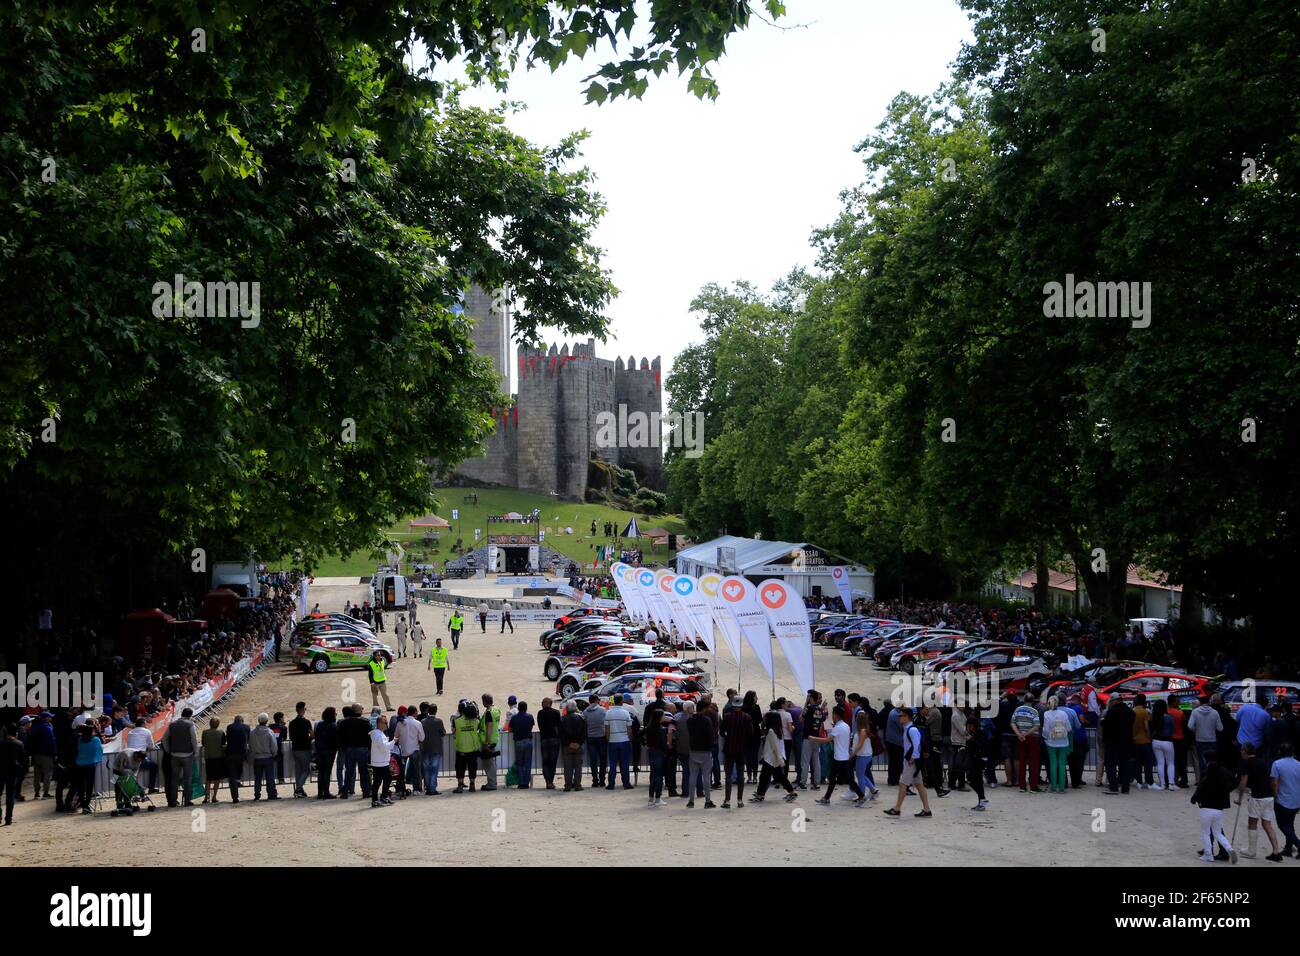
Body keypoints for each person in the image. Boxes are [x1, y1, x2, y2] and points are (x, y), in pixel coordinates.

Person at [1236, 743, 1282, 861]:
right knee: (1267, 824)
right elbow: (1271, 778)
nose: (1241, 753)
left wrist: (1239, 799)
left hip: (1258, 797)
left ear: (1245, 751)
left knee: (1252, 823)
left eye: (1242, 751)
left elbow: (1243, 783)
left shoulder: (1247, 763)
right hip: (1268, 796)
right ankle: (1276, 850)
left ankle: (1251, 850)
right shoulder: (1262, 762)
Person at [813, 705, 866, 806]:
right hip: (842, 757)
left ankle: (861, 796)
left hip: (840, 758)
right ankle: (826, 798)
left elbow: (827, 740)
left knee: (847, 779)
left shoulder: (837, 727)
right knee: (835, 779)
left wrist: (813, 738)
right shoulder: (846, 726)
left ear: (835, 715)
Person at [1190, 749, 1236, 863]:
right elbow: (1235, 781)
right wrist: (1226, 791)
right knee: (1218, 832)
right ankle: (1229, 849)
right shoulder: (1223, 771)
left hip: (1206, 808)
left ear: (1206, 760)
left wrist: (1194, 799)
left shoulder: (1207, 775)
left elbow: (1199, 789)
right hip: (1219, 808)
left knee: (1206, 832)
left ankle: (1208, 854)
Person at [885, 708, 932, 818]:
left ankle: (897, 809)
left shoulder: (911, 730)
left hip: (911, 762)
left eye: (901, 716)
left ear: (906, 717)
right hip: (912, 761)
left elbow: (917, 745)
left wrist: (912, 758)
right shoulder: (909, 729)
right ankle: (927, 810)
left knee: (903, 784)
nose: (899, 718)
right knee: (919, 785)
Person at [752, 711, 797, 803]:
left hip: (771, 759)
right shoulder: (777, 730)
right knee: (779, 777)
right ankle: (791, 792)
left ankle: (760, 795)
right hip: (773, 759)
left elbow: (775, 747)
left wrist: (779, 760)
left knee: (764, 777)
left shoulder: (771, 731)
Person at [719, 694, 754, 808]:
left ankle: (727, 800)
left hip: (729, 748)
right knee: (740, 774)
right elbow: (750, 734)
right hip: (742, 749)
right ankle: (740, 800)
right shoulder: (747, 717)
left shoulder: (728, 716)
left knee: (728, 775)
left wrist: (728, 736)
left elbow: (722, 732)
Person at [165, 707, 198, 808]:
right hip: (187, 755)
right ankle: (187, 801)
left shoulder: (172, 724)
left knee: (174, 780)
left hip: (174, 755)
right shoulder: (190, 725)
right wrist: (195, 751)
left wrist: (168, 751)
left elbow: (164, 739)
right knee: (187, 779)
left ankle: (173, 801)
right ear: (190, 715)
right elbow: (194, 739)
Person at [686, 699, 717, 809]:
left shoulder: (690, 720)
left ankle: (691, 801)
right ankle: (707, 800)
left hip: (694, 750)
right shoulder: (706, 720)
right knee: (706, 777)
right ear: (704, 708)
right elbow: (711, 736)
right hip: (705, 751)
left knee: (693, 776)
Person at [1271, 742, 1300, 858]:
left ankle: (1298, 844)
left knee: (1283, 825)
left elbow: (1274, 782)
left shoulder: (1277, 764)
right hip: (1296, 799)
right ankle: (1288, 848)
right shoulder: (1299, 764)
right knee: (1290, 824)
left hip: (1282, 799)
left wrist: (1274, 795)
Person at [1102, 697, 1135, 795]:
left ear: (1115, 702)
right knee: (1125, 766)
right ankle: (1125, 788)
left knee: (1110, 765)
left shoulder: (1112, 711)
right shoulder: (1130, 712)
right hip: (1127, 742)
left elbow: (1106, 724)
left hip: (1112, 742)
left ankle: (1113, 786)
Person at [339, 704, 372, 800]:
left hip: (350, 749)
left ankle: (345, 792)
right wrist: (369, 748)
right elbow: (369, 736)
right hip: (362, 749)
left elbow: (341, 736)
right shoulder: (365, 722)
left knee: (349, 771)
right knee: (363, 771)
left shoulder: (344, 722)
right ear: (359, 710)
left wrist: (344, 748)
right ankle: (365, 791)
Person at [1041, 697, 1073, 794]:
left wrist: (1045, 737)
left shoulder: (1046, 714)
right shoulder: (1063, 713)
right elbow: (1068, 728)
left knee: (1053, 764)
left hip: (1051, 742)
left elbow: (1046, 730)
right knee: (1062, 765)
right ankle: (1062, 788)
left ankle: (1054, 786)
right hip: (1063, 741)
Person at [1188, 695, 1223, 781]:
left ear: (1200, 702)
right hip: (1212, 740)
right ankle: (1213, 780)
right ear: (1209, 702)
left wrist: (1196, 730)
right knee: (1213, 762)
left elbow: (1190, 726)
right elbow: (1220, 728)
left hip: (1199, 739)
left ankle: (1203, 781)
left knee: (1201, 762)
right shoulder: (1215, 712)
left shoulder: (1195, 712)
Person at [1011, 695, 1042, 793]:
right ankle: (1033, 786)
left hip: (1021, 739)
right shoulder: (1034, 711)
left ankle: (1022, 786)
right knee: (1033, 763)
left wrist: (1019, 734)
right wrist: (1026, 733)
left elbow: (1012, 723)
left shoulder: (1018, 710)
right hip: (1032, 738)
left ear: (1024, 700)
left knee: (1022, 762)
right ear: (1033, 701)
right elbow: (1036, 726)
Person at [452, 700, 482, 793]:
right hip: (473, 748)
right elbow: (479, 728)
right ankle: (472, 785)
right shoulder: (476, 721)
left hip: (461, 748)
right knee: (472, 767)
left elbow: (453, 732)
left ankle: (460, 785)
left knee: (460, 767)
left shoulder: (456, 721)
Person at [605, 695, 634, 790]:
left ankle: (611, 784)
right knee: (625, 764)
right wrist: (630, 739)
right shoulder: (625, 713)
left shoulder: (608, 713)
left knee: (612, 764)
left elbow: (607, 729)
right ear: (621, 701)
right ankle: (626, 784)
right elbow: (629, 729)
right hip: (624, 740)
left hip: (613, 741)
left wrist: (608, 739)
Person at [250, 713, 280, 801]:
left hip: (257, 757)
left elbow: (251, 745)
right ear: (266, 721)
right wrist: (274, 754)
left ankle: (257, 795)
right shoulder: (270, 732)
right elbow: (274, 746)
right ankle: (271, 795)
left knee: (258, 778)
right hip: (268, 757)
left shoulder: (253, 732)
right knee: (270, 777)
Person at [850, 710, 878, 800]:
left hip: (863, 755)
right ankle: (873, 789)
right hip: (865, 754)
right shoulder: (865, 730)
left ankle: (861, 795)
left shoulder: (862, 731)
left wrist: (852, 754)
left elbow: (860, 744)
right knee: (861, 774)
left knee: (860, 776)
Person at [74, 724, 102, 815]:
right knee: (89, 786)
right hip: (90, 765)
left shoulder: (80, 740)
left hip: (79, 765)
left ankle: (83, 804)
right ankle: (86, 805)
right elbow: (100, 751)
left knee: (81, 786)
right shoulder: (96, 740)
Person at [964, 707, 988, 811]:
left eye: (970, 726)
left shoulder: (980, 732)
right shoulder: (972, 733)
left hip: (978, 760)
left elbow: (980, 745)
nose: (969, 728)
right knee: (972, 780)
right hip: (973, 760)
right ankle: (981, 799)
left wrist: (971, 740)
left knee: (976, 780)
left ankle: (982, 799)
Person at [1150, 700, 1177, 790]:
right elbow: (1173, 729)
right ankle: (1171, 783)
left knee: (1160, 763)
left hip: (1156, 741)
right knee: (1170, 763)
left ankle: (1162, 784)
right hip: (1168, 741)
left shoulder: (1154, 717)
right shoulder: (1169, 718)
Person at [1, 725, 25, 825]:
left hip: (0, 771)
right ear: (16, 733)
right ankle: (8, 818)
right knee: (10, 796)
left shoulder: (1, 743)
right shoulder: (19, 744)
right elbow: (23, 759)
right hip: (13, 772)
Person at [560, 702, 587, 791]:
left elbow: (561, 734)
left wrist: (568, 743)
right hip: (578, 746)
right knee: (578, 766)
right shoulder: (581, 718)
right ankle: (577, 785)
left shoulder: (563, 719)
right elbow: (584, 732)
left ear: (567, 708)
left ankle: (568, 785)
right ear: (575, 708)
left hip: (567, 746)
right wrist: (579, 743)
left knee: (567, 767)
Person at [289, 701, 313, 798]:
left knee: (298, 770)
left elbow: (290, 737)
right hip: (304, 748)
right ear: (303, 710)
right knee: (306, 770)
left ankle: (300, 790)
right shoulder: (306, 722)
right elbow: (312, 734)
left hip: (295, 748)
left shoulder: (292, 723)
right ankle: (298, 789)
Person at [536, 697, 562, 790]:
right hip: (554, 739)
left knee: (546, 762)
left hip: (544, 739)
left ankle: (548, 781)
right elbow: (559, 726)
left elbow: (539, 725)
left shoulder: (540, 713)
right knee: (553, 762)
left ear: (544, 704)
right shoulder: (556, 713)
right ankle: (550, 781)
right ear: (550, 704)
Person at [1130, 694, 1155, 789]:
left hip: (1134, 740)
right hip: (1144, 740)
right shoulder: (1145, 712)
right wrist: (1149, 737)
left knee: (1137, 763)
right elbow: (1146, 727)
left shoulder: (1132, 711)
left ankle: (1139, 781)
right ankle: (1149, 782)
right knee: (1148, 763)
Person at [314, 707, 339, 799]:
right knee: (327, 772)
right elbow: (336, 739)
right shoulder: (334, 725)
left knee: (321, 771)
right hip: (330, 751)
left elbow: (316, 737)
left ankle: (320, 792)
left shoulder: (320, 724)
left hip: (320, 750)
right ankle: (326, 792)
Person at [420, 705, 445, 795]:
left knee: (426, 769)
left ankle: (428, 788)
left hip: (425, 748)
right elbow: (443, 733)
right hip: (436, 748)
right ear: (436, 711)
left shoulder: (423, 721)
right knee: (434, 770)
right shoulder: (439, 721)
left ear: (428, 711)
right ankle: (432, 789)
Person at [369, 715, 394, 807]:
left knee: (381, 780)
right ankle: (378, 799)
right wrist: (394, 741)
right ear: (379, 724)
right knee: (382, 780)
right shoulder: (378, 734)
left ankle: (382, 797)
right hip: (380, 762)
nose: (387, 725)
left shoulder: (379, 734)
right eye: (385, 723)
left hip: (380, 761)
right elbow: (385, 747)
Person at [509, 701, 535, 788]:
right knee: (527, 763)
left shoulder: (514, 718)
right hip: (528, 740)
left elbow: (510, 728)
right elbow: (531, 727)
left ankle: (521, 782)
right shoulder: (530, 716)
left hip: (519, 741)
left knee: (520, 763)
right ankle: (526, 783)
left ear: (518, 708)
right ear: (526, 708)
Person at [225, 715, 250, 803]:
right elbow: (248, 740)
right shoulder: (246, 727)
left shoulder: (230, 727)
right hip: (242, 753)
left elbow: (227, 738)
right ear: (242, 721)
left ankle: (235, 797)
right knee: (239, 769)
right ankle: (238, 780)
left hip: (231, 753)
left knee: (232, 776)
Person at [584, 695, 608, 787]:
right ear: (596, 700)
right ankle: (602, 780)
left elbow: (585, 724)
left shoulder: (585, 712)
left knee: (593, 760)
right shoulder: (602, 710)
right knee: (603, 760)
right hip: (601, 737)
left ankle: (595, 780)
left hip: (590, 737)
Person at [201, 717, 226, 804]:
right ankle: (214, 796)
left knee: (208, 779)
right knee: (217, 779)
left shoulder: (205, 732)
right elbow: (223, 745)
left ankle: (206, 797)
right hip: (218, 758)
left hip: (209, 757)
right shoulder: (221, 733)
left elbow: (203, 743)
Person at [479, 694, 501, 790]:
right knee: (490, 763)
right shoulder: (496, 709)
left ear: (484, 701)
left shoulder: (489, 712)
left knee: (489, 764)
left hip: (489, 740)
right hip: (494, 739)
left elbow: (489, 726)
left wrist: (487, 742)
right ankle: (491, 783)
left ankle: (492, 784)